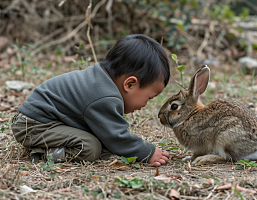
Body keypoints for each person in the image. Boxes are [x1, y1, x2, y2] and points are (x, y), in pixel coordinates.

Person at [11, 34, 170, 167]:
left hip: (40, 120)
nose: (145, 105)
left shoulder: (100, 81)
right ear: (130, 84)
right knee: (89, 147)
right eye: (149, 98)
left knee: (96, 141)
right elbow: (117, 137)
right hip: (33, 126)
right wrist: (146, 152)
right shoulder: (104, 96)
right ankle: (41, 154)